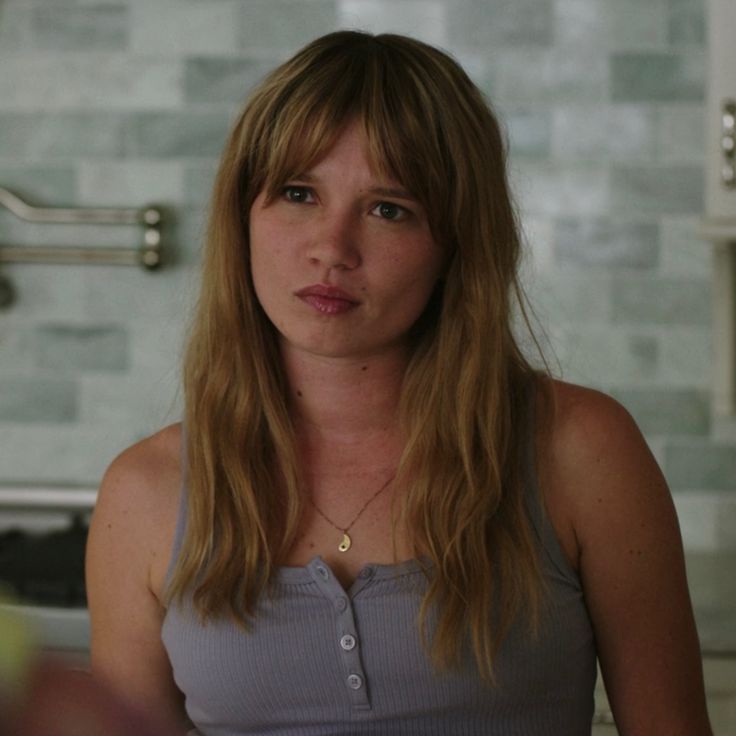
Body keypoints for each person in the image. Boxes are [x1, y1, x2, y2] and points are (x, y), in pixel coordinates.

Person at [86, 30, 712, 735]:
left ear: (456, 245)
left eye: (389, 209)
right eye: (297, 193)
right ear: (243, 218)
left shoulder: (580, 451)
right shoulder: (144, 494)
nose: (333, 247)